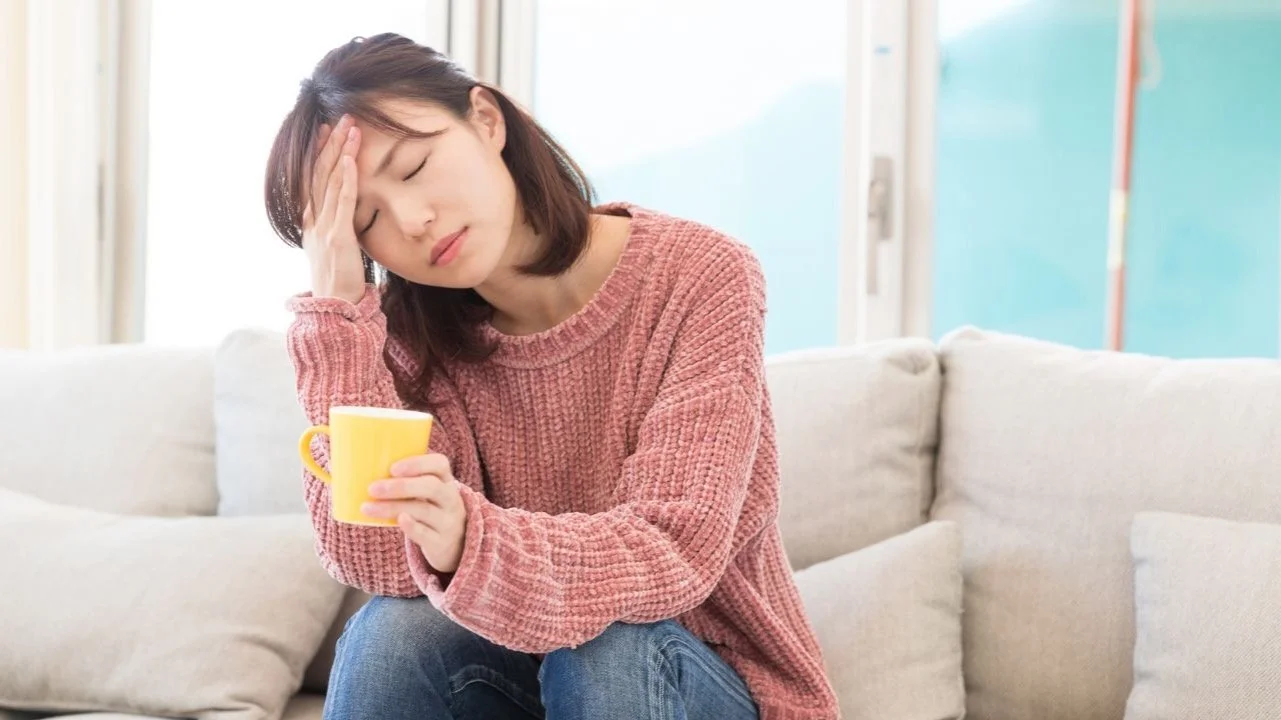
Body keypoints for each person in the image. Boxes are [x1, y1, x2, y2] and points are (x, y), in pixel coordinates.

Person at [263, 32, 839, 720]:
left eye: (414, 168)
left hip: (689, 679)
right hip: (513, 683)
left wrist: (470, 541)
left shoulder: (699, 276)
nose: (413, 221)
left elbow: (673, 548)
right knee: (395, 632)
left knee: (606, 649)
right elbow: (377, 563)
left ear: (486, 121)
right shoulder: (393, 337)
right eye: (367, 220)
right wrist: (335, 320)